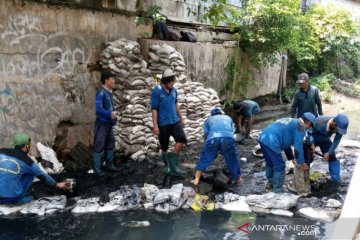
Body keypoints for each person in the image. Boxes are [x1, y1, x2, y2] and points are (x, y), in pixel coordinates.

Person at [0, 133, 67, 204]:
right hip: (11, 198)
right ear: (26, 146)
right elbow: (43, 176)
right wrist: (57, 184)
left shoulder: (2, 151)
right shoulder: (28, 162)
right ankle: (19, 199)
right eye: (29, 145)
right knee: (30, 174)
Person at [258, 112, 315, 193]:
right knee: (280, 166)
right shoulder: (301, 127)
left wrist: (291, 157)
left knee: (270, 163)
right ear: (308, 123)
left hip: (263, 138)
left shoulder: (292, 121)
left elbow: (286, 142)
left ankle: (270, 184)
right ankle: (277, 191)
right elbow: (298, 147)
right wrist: (301, 162)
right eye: (309, 126)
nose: (308, 129)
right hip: (272, 142)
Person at [191, 107, 241, 186]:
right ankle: (238, 179)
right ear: (221, 113)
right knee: (232, 158)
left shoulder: (208, 120)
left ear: (212, 114)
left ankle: (196, 179)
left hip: (213, 138)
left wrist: (211, 149)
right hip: (228, 138)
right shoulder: (228, 118)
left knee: (205, 157)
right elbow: (232, 131)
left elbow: (206, 134)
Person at [151, 69, 187, 176]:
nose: (173, 83)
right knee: (164, 147)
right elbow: (154, 109)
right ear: (165, 81)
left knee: (181, 139)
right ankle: (167, 166)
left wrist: (181, 119)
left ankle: (173, 165)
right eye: (171, 81)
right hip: (163, 123)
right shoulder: (157, 91)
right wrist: (155, 126)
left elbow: (176, 105)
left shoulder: (174, 91)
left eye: (173, 81)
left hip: (174, 120)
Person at [93, 72, 119, 176]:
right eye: (112, 79)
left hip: (109, 124)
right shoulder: (101, 93)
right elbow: (98, 109)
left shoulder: (109, 93)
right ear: (106, 80)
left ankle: (110, 165)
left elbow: (110, 107)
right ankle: (97, 170)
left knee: (110, 144)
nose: (114, 81)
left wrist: (114, 115)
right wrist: (110, 114)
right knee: (99, 145)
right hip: (101, 124)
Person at [311, 113, 349, 183]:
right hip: (313, 139)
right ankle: (305, 178)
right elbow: (310, 132)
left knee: (332, 158)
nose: (338, 131)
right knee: (307, 157)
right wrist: (312, 144)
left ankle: (336, 180)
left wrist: (329, 153)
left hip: (325, 140)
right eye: (337, 129)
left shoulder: (340, 127)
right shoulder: (319, 122)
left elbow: (336, 140)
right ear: (333, 122)